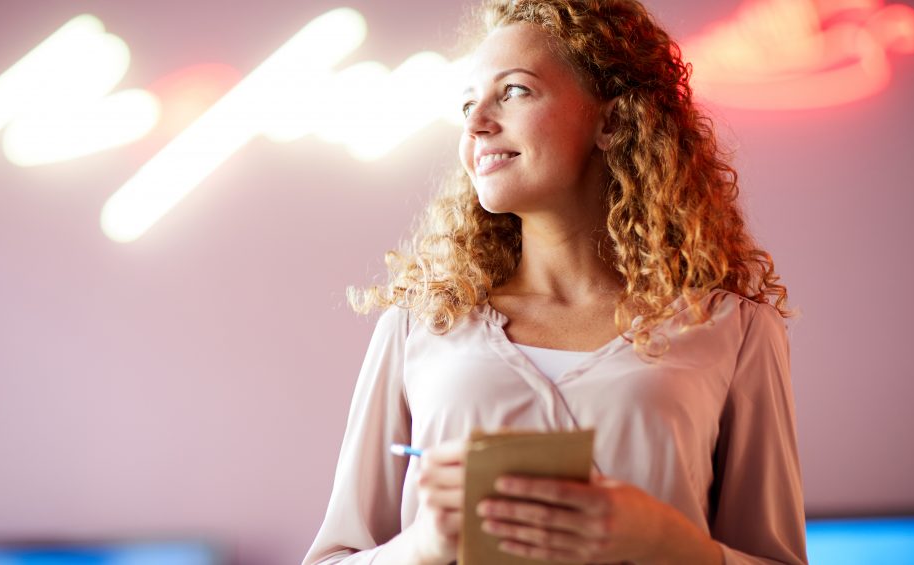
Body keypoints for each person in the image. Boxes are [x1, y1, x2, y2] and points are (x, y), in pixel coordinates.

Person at [303, 0, 808, 563]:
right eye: (468, 104)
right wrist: (421, 546)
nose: (475, 123)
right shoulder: (417, 328)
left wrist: (668, 543)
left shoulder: (735, 330)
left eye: (513, 91)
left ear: (612, 121)